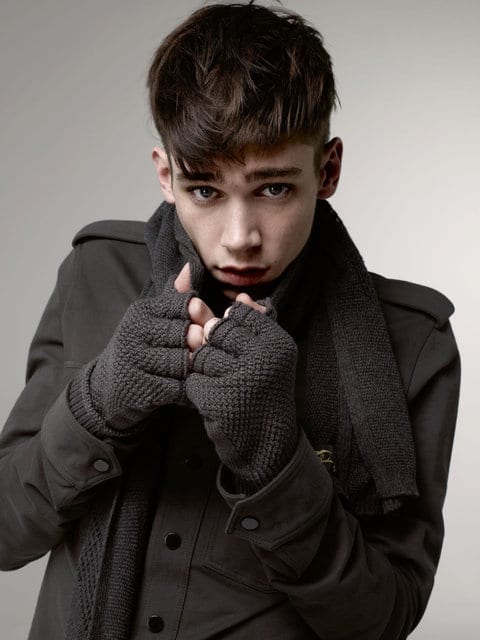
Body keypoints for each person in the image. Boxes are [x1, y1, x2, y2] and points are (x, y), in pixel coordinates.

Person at [0, 2, 461, 639]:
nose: (240, 237)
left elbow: (382, 621)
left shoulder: (412, 342)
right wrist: (98, 402)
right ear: (166, 175)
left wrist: (276, 457)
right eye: (205, 191)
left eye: (273, 189)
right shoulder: (97, 273)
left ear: (327, 169)